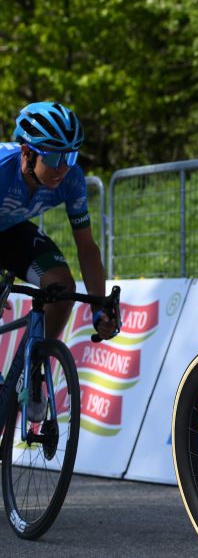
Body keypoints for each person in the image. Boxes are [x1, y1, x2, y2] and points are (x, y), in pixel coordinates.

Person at [1, 102, 116, 419]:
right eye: (53, 157)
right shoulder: (1, 167)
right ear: (27, 153)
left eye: (71, 156)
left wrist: (99, 306)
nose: (62, 167)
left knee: (62, 289)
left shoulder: (71, 178)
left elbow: (87, 248)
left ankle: (35, 368)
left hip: (11, 232)